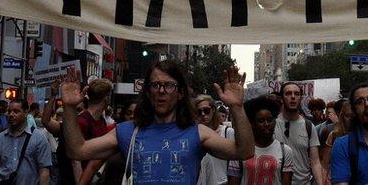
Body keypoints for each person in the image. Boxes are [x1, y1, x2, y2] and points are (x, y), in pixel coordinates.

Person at [60, 60, 255, 185]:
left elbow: (244, 151)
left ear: (179, 93)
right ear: (147, 91)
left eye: (169, 85)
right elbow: (77, 150)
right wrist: (69, 108)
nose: (161, 91)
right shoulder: (127, 131)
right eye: (155, 85)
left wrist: (237, 107)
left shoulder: (197, 132)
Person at [0, 98, 53, 185]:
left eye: (16, 111)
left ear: (25, 112)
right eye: (9, 111)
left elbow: (44, 171)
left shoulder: (38, 138)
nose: (11, 115)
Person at [227, 97, 293, 185]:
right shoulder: (240, 150)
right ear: (252, 123)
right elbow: (234, 181)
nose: (266, 124)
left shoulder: (285, 151)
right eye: (261, 121)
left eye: (270, 120)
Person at [275, 83, 324, 185]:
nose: (293, 97)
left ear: (301, 98)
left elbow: (315, 162)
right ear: (281, 98)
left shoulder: (309, 127)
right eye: (288, 93)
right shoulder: (271, 124)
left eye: (296, 94)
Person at [198, 94, 235, 185]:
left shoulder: (227, 132)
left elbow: (235, 165)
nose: (203, 114)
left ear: (213, 110)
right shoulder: (195, 134)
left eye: (206, 110)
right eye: (199, 112)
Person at [320, 100, 353, 183]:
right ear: (342, 116)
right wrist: (324, 180)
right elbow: (325, 165)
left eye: (353, 116)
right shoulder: (334, 135)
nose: (351, 119)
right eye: (348, 116)